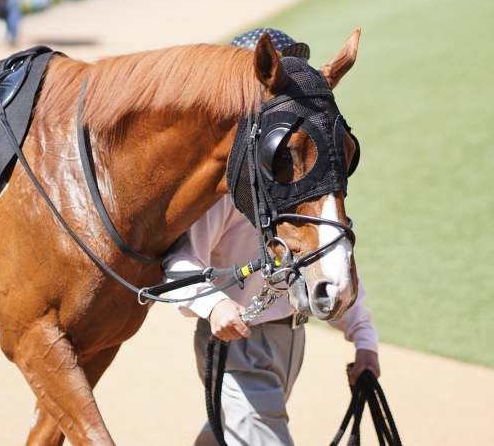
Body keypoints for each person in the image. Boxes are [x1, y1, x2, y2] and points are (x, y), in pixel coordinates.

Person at [162, 28, 380, 446]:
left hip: (289, 340)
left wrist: (363, 340)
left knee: (225, 436)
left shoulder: (299, 180)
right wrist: (213, 304)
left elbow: (324, 256)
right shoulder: (226, 193)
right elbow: (177, 262)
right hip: (236, 347)